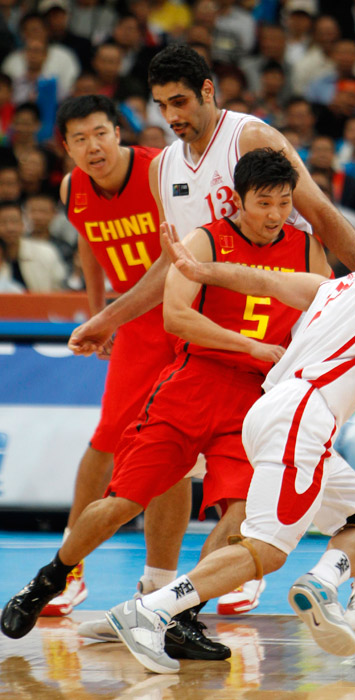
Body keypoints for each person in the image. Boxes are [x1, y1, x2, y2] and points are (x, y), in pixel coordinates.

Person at [64, 44, 355, 624]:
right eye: (162, 105)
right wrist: (107, 317)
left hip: (285, 320)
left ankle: (236, 584)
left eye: (181, 101)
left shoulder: (249, 138)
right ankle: (163, 592)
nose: (173, 115)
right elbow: (174, 265)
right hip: (208, 328)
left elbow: (320, 214)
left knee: (285, 462)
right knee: (157, 455)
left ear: (209, 91)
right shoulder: (166, 165)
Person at [99, 220, 355, 672]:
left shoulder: (336, 286)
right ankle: (151, 610)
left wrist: (202, 270)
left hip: (272, 411)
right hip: (303, 415)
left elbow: (262, 281)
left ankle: (322, 583)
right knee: (266, 550)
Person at [0, 147, 331, 658]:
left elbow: (325, 316)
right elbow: (176, 316)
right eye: (264, 203)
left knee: (243, 515)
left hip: (256, 398)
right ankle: (51, 577)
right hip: (193, 382)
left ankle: (178, 613)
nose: (274, 215)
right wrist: (250, 346)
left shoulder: (307, 250)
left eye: (284, 203)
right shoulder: (205, 240)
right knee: (122, 502)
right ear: (237, 199)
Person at [35, 95, 206, 660]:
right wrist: (97, 310)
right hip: (133, 323)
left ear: (119, 133)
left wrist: (109, 315)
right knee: (107, 440)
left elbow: (178, 256)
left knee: (186, 446)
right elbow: (90, 243)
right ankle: (71, 566)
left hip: (187, 312)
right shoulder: (73, 190)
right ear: (67, 148)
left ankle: (165, 583)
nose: (93, 146)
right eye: (80, 138)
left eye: (101, 133)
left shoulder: (160, 172)